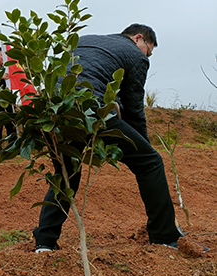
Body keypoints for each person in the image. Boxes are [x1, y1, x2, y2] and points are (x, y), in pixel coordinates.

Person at [33, 24, 183, 252]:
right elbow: (133, 109)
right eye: (148, 51)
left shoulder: (85, 39)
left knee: (67, 174)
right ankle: (164, 236)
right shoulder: (135, 55)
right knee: (150, 163)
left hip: (53, 114)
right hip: (91, 110)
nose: (147, 56)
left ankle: (45, 242)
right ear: (138, 38)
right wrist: (143, 145)